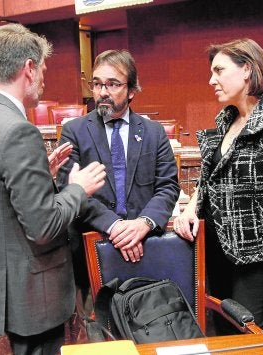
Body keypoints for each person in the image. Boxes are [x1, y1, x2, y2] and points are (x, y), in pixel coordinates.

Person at [0, 23, 106, 355]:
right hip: (30, 291)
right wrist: (77, 189)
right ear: (28, 68)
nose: (44, 79)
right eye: (43, 70)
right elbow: (43, 226)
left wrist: (42, 175)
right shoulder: (18, 131)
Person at [173, 38, 263, 336]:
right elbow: (210, 177)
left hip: (255, 256)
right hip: (216, 248)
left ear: (247, 69)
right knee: (221, 335)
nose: (212, 80)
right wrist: (191, 206)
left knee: (248, 339)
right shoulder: (228, 118)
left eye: (219, 70)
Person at [56, 49, 180, 300]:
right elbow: (68, 188)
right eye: (98, 84)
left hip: (145, 248)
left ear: (132, 90)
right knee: (96, 332)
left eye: (113, 84)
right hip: (92, 247)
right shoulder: (74, 131)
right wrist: (114, 226)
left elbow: (168, 186)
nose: (103, 92)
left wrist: (142, 224)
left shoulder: (154, 133)